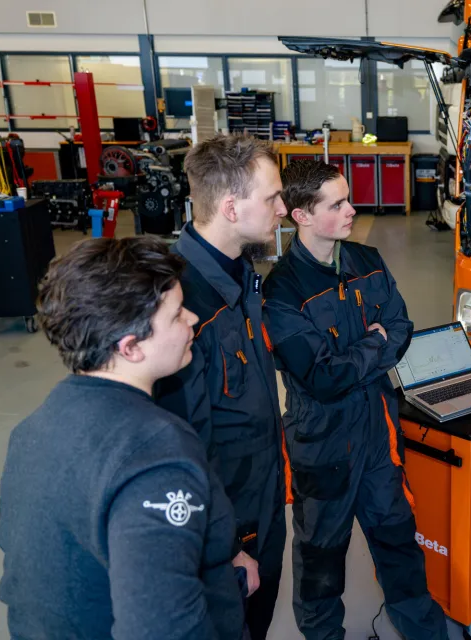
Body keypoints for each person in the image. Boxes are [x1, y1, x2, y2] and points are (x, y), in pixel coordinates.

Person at [0, 237, 247, 639]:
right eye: (177, 313)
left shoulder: (33, 429)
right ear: (130, 347)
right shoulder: (156, 452)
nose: (194, 319)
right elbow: (161, 626)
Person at [262, 159, 448, 640]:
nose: (352, 209)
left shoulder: (366, 260)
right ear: (301, 214)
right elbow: (322, 378)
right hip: (321, 445)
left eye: (349, 198)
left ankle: (425, 631)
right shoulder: (281, 291)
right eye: (338, 203)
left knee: (398, 540)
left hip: (378, 433)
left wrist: (371, 346)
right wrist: (375, 342)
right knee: (322, 555)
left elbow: (403, 327)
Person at [155, 134, 289, 640]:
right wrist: (228, 544)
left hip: (262, 499)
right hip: (225, 525)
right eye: (272, 197)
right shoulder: (182, 306)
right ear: (232, 208)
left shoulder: (240, 276)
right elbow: (180, 450)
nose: (282, 207)